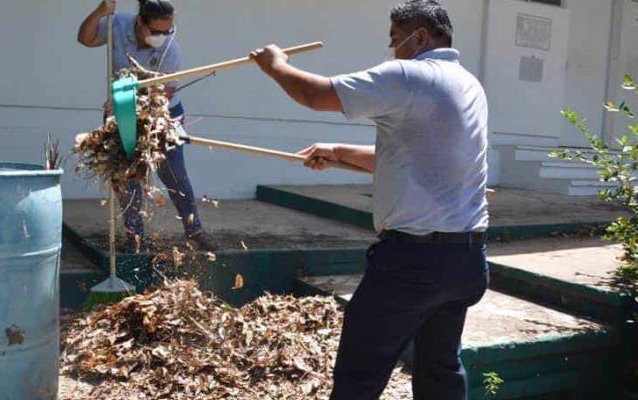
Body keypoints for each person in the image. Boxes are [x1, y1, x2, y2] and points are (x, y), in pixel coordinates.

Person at [251, 1, 489, 399]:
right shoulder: (467, 84)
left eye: (395, 40)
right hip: (465, 260)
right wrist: (339, 152)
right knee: (440, 372)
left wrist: (276, 65)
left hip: (413, 263)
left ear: (420, 37)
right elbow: (408, 159)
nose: (393, 49)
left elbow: (315, 94)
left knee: (359, 377)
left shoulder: (410, 75)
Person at [77, 0, 218, 252]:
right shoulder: (117, 24)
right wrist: (101, 11)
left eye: (167, 31)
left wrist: (128, 102)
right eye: (156, 31)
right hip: (120, 112)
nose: (161, 37)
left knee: (173, 173)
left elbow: (163, 93)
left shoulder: (171, 51)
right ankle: (135, 236)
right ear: (140, 22)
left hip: (162, 111)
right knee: (127, 175)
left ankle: (194, 229)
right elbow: (85, 39)